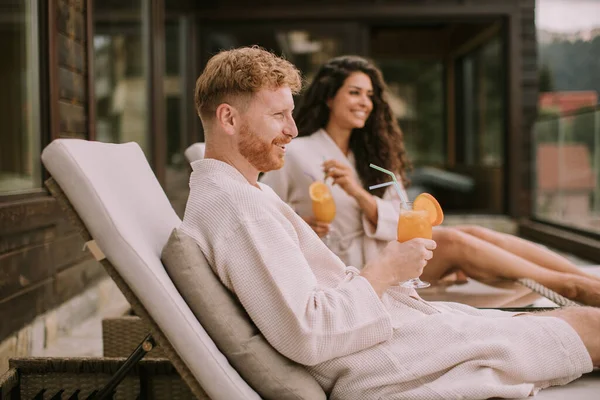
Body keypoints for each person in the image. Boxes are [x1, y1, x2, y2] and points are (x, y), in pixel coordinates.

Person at [181, 46, 598, 400]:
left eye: (292, 115)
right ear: (229, 119)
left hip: (387, 332)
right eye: (278, 116)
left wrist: (391, 278)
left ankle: (575, 286)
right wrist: (385, 271)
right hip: (382, 358)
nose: (292, 129)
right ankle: (576, 285)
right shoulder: (237, 210)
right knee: (585, 324)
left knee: (560, 318)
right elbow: (308, 334)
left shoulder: (244, 194)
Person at [260, 55, 600, 307]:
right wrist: (303, 224)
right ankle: (569, 287)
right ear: (330, 97)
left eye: (369, 95)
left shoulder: (370, 159)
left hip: (392, 247)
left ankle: (583, 279)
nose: (365, 102)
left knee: (474, 234)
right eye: (354, 93)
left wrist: (358, 193)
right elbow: (269, 217)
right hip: (353, 266)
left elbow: (403, 217)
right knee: (453, 241)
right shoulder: (296, 152)